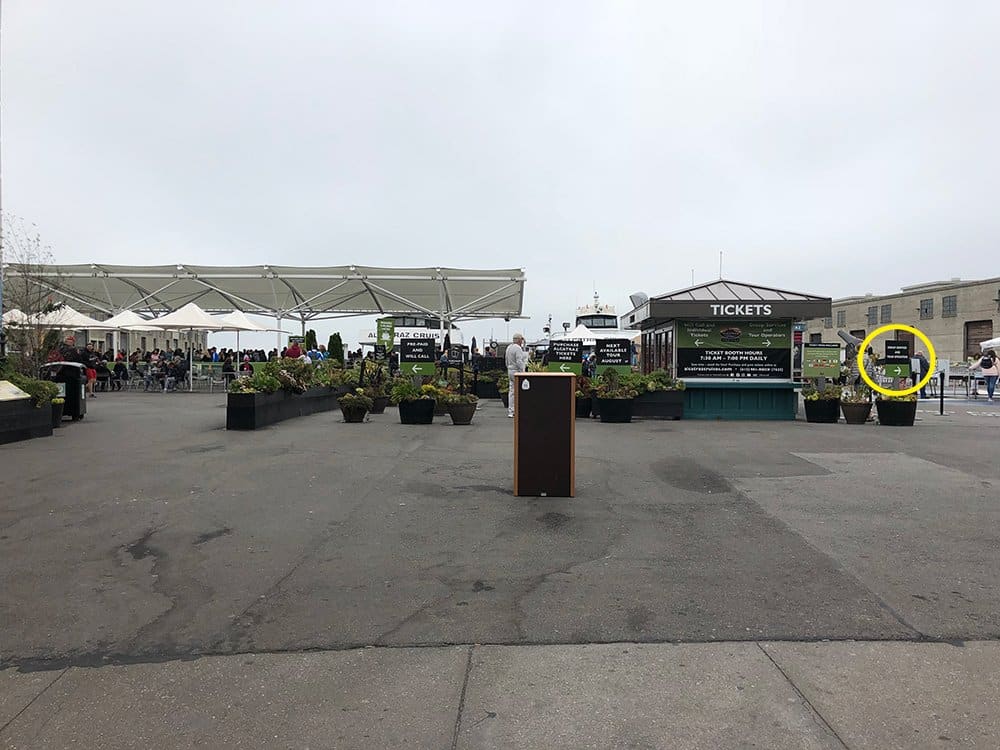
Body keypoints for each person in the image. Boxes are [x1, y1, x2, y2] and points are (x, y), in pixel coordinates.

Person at [505, 333, 528, 418]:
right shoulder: (518, 348)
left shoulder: (509, 347)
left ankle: (511, 410)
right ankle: (519, 409)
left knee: (511, 391)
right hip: (516, 371)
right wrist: (523, 371)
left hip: (510, 369)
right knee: (520, 390)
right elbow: (519, 361)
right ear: (519, 339)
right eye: (522, 339)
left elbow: (506, 360)